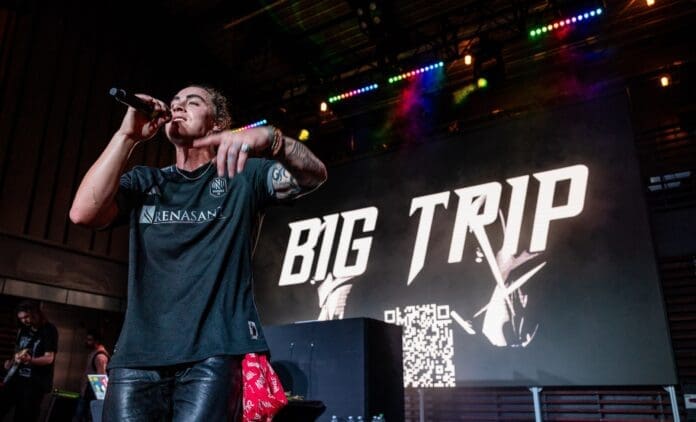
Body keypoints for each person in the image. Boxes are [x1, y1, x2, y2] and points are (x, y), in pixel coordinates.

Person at [69, 85, 327, 421]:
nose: (178, 107)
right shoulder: (145, 181)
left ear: (218, 123)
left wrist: (274, 140)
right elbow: (82, 214)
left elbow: (313, 176)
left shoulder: (242, 176)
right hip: (137, 356)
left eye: (192, 102)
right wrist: (126, 135)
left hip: (213, 356)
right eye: (174, 103)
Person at [0, 300, 58, 422]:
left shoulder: (49, 330)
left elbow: (49, 358)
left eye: (26, 317)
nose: (24, 321)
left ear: (35, 313)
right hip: (16, 380)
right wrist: (10, 363)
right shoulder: (24, 330)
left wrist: (31, 360)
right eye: (21, 318)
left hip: (33, 385)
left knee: (24, 417)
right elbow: (17, 352)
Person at [72, 330, 110, 422]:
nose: (87, 342)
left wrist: (98, 403)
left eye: (89, 340)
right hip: (86, 394)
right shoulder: (94, 353)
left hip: (90, 397)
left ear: (96, 341)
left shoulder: (100, 356)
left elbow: (101, 382)